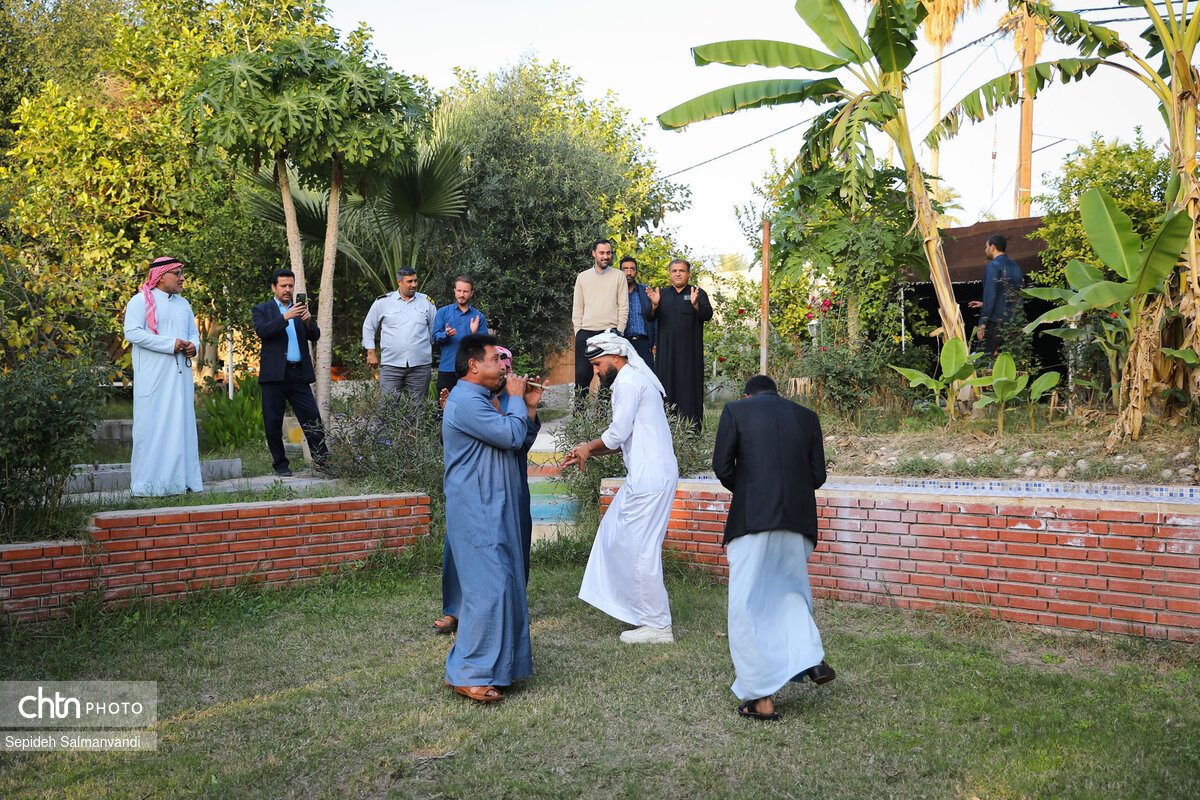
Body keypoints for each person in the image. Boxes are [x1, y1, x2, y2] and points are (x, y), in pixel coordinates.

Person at [711, 375, 835, 722]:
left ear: (747, 395)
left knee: (746, 606)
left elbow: (722, 466)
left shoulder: (736, 410)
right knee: (791, 595)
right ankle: (811, 656)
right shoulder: (807, 416)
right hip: (798, 522)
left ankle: (761, 699)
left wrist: (752, 490)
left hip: (753, 520)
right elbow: (818, 475)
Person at [441, 334, 542, 702]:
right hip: (477, 508)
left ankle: (501, 668)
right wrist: (514, 399)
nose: (503, 367)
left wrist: (528, 408)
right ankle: (467, 672)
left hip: (494, 505)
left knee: (506, 583)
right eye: (496, 360)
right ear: (473, 365)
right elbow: (511, 436)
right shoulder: (467, 401)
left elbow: (519, 443)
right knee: (489, 588)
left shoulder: (482, 400)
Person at [565, 330, 678, 644]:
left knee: (640, 549)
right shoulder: (631, 380)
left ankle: (658, 625)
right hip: (647, 475)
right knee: (614, 534)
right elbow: (620, 440)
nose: (596, 372)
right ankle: (640, 612)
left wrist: (587, 447)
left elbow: (616, 435)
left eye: (598, 365)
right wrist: (588, 450)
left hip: (649, 477)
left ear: (616, 357)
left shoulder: (628, 382)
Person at [122, 256, 203, 496]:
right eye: (177, 273)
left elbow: (193, 333)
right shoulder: (140, 301)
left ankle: (182, 482)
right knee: (153, 430)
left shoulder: (183, 304)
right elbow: (132, 333)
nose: (182, 278)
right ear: (160, 277)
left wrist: (193, 346)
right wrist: (171, 344)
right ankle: (148, 486)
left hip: (181, 378)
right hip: (154, 378)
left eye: (182, 273)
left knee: (182, 427)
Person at [252, 269, 328, 477]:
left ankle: (323, 462)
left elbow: (315, 335)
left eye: (290, 286)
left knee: (312, 419)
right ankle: (280, 465)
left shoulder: (299, 309)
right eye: (283, 286)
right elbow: (262, 331)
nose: (287, 289)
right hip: (274, 375)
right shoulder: (262, 309)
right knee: (273, 423)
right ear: (273, 287)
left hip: (298, 373)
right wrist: (286, 316)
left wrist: (307, 321)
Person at [645, 258, 713, 432]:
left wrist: (695, 304)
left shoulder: (698, 293)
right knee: (666, 390)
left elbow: (707, 315)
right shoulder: (662, 294)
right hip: (666, 354)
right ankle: (666, 431)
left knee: (689, 391)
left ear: (688, 274)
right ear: (670, 274)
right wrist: (654, 305)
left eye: (681, 271)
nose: (678, 274)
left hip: (690, 355)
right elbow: (649, 317)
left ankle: (691, 433)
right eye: (674, 271)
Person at [362, 266, 436, 400]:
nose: (414, 285)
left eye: (415, 281)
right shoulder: (383, 302)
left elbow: (433, 330)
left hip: (420, 366)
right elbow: (369, 327)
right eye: (409, 281)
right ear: (399, 282)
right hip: (391, 365)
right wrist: (371, 352)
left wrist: (426, 348)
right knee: (388, 406)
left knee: (417, 406)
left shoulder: (426, 302)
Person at [571, 238, 628, 401]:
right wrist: (578, 332)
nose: (605, 256)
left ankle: (603, 415)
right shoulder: (582, 277)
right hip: (586, 333)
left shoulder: (619, 276)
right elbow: (578, 307)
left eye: (608, 253)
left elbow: (623, 306)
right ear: (594, 253)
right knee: (581, 378)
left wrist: (619, 331)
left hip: (609, 333)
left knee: (607, 380)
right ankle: (579, 414)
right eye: (602, 253)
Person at [968, 234, 1025, 357]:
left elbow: (991, 295)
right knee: (1014, 362)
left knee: (982, 359)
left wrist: (982, 323)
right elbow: (1013, 295)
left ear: (992, 247)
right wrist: (984, 304)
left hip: (996, 322)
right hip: (1014, 322)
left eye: (986, 247)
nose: (985, 250)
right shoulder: (1015, 266)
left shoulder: (993, 266)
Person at [432, 276, 487, 396]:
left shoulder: (479, 317)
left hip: (470, 371)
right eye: (459, 291)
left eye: (465, 291)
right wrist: (445, 334)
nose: (461, 295)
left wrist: (474, 333)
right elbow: (435, 337)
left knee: (470, 405)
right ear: (454, 291)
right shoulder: (443, 312)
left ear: (471, 293)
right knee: (444, 405)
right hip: (447, 368)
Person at [620, 256, 657, 367]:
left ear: (636, 272)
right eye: (625, 269)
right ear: (620, 272)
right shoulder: (616, 292)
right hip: (623, 344)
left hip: (644, 343)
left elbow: (655, 317)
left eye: (632, 269)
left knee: (648, 375)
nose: (629, 273)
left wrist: (655, 342)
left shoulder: (646, 291)